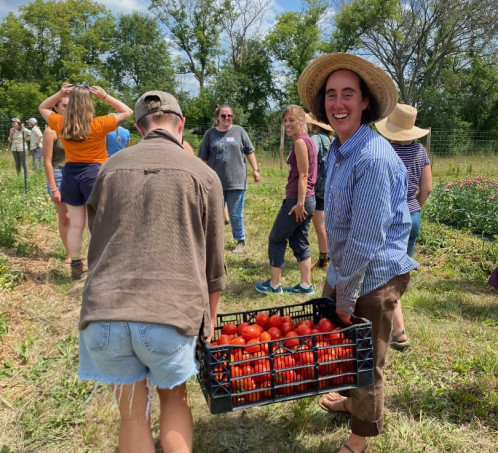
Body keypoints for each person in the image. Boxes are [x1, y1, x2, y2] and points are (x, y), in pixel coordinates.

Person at [77, 90, 226, 453]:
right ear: (182, 126)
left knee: (131, 415)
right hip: (169, 315)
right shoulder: (203, 175)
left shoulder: (109, 168)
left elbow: (98, 237)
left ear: (140, 128)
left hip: (104, 313)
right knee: (174, 402)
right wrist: (210, 323)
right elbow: (214, 267)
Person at [297, 52, 418, 453]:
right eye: (331, 95)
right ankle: (350, 402)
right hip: (350, 268)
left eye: (348, 93)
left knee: (366, 359)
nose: (338, 103)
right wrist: (334, 281)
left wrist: (344, 295)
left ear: (365, 102)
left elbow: (367, 240)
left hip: (375, 275)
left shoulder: (372, 156)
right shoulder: (339, 148)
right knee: (343, 347)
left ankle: (359, 439)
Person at [38, 83, 133, 280]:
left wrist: (60, 93)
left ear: (70, 106)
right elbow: (127, 111)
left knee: (75, 224)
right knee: (93, 224)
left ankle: (75, 265)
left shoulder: (61, 124)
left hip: (70, 174)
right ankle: (94, 265)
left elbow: (42, 108)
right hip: (94, 174)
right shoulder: (99, 124)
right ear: (89, 105)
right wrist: (105, 95)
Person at [376, 103, 432, 351]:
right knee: (400, 273)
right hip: (413, 216)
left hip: (390, 216)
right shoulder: (420, 151)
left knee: (386, 274)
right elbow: (427, 188)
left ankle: (398, 331)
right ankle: (393, 317)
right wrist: (414, 208)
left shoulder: (384, 150)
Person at [254, 105, 317, 295]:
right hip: (309, 199)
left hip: (299, 200)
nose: (288, 124)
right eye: (285, 120)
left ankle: (275, 286)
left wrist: (298, 203)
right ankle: (306, 285)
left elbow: (304, 175)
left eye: (292, 120)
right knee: (299, 240)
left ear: (302, 121)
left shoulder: (300, 142)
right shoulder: (308, 141)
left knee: (277, 238)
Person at [198, 104, 261, 253]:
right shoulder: (210, 134)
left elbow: (249, 152)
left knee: (235, 213)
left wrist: (255, 170)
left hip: (236, 180)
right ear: (218, 117)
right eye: (223, 116)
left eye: (229, 116)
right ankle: (213, 242)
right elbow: (203, 158)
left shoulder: (239, 131)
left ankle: (240, 241)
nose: (226, 118)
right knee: (214, 213)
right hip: (215, 182)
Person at [42, 97, 71, 266]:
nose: (68, 108)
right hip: (59, 174)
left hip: (76, 174)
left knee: (79, 218)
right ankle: (69, 254)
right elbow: (46, 161)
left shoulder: (76, 127)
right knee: (65, 217)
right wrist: (53, 188)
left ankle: (78, 251)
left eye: (70, 106)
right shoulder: (50, 130)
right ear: (56, 108)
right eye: (65, 106)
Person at [305, 113, 333, 270]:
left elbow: (310, 159)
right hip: (328, 187)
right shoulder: (330, 139)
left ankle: (324, 258)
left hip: (316, 188)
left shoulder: (315, 138)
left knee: (319, 225)